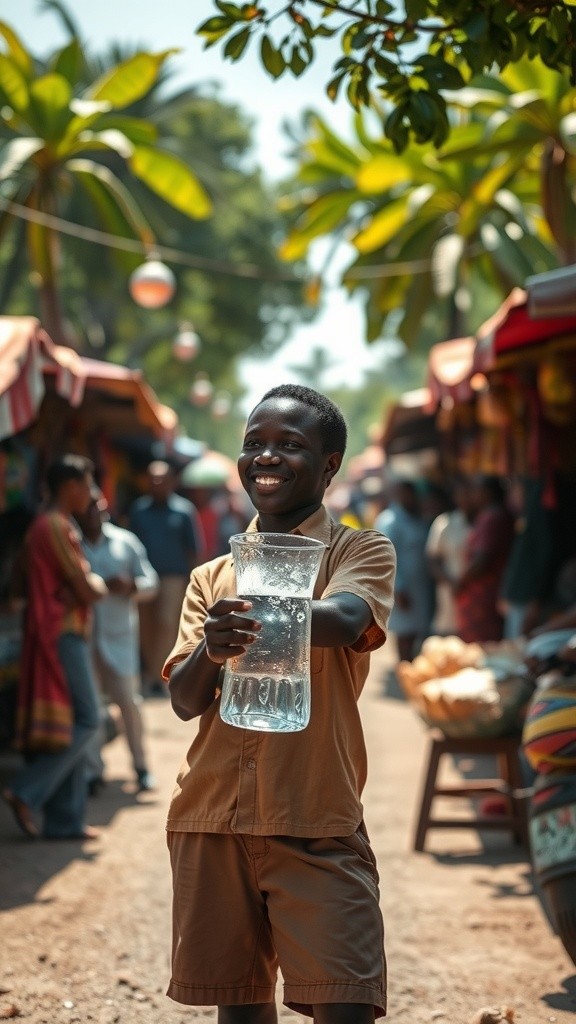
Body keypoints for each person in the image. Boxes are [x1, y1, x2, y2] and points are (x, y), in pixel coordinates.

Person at [163, 384, 396, 1023]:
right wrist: (211, 649)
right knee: (240, 1010)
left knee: (345, 1002)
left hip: (315, 817)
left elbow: (348, 619)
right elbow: (185, 701)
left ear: (329, 465)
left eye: (290, 445)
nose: (266, 456)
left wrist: (259, 617)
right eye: (255, 444)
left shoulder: (360, 551)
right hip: (213, 818)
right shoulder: (212, 578)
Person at [2, 454, 106, 840]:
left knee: (70, 723)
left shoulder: (46, 525)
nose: (91, 494)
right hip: (61, 632)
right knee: (88, 718)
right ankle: (26, 790)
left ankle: (66, 821)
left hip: (56, 629)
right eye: (88, 485)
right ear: (70, 487)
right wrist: (94, 583)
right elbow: (87, 588)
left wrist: (87, 584)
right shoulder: (55, 525)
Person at [77, 492, 159, 793]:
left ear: (104, 510)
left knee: (128, 703)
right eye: (86, 509)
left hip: (119, 639)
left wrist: (131, 585)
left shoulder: (125, 542)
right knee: (91, 709)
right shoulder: (72, 544)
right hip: (84, 641)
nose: (92, 514)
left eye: (96, 508)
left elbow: (151, 582)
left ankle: (140, 766)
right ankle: (92, 772)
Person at [129, 460, 203, 695]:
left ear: (171, 482)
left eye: (162, 479)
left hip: (173, 577)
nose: (157, 483)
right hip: (144, 578)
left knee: (166, 624)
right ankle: (153, 675)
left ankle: (159, 677)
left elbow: (194, 550)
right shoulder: (138, 511)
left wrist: (196, 583)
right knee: (145, 627)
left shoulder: (184, 511)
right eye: (153, 479)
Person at [374, 478, 433, 661]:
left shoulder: (417, 517)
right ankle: (404, 669)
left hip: (420, 586)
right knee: (404, 632)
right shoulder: (389, 520)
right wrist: (398, 587)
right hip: (403, 587)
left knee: (417, 631)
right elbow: (385, 557)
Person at [453, 474, 515, 643]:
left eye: (476, 490)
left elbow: (481, 560)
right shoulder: (496, 515)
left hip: (483, 595)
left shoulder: (492, 517)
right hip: (490, 591)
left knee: (481, 645)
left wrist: (460, 582)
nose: (472, 494)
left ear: (487, 492)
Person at [426, 477, 475, 636]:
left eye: (471, 493)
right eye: (463, 494)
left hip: (476, 592)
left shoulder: (484, 522)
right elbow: (432, 560)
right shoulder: (444, 523)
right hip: (450, 590)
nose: (467, 498)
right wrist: (450, 581)